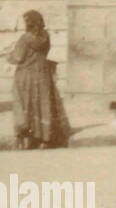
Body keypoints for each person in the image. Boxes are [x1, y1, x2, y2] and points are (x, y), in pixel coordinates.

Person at [7, 10, 71, 149]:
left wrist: (8, 55)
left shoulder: (25, 38)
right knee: (43, 106)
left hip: (26, 76)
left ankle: (29, 138)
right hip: (43, 74)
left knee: (26, 105)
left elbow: (17, 57)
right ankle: (45, 139)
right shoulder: (46, 36)